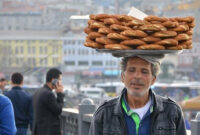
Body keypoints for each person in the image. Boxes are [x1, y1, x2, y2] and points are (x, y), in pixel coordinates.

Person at [89, 55, 187, 135]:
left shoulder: (172, 111)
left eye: (144, 71)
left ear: (153, 79)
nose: (137, 76)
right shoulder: (104, 114)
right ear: (122, 77)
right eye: (132, 70)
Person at [32, 68, 64, 135]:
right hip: (48, 131)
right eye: (60, 80)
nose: (60, 82)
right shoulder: (49, 94)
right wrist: (60, 94)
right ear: (53, 80)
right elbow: (58, 110)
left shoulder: (38, 92)